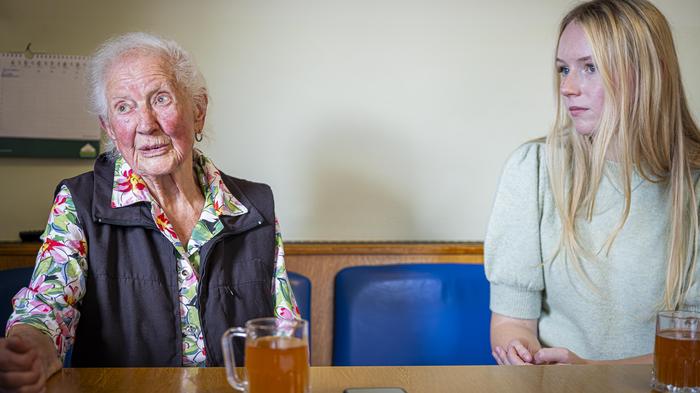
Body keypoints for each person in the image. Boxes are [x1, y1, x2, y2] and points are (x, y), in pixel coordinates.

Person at [0, 32, 300, 389]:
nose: (145, 124)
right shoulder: (78, 202)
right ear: (110, 128)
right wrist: (34, 343)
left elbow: (284, 327)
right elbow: (47, 303)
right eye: (124, 107)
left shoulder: (253, 206)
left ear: (198, 111)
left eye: (160, 99)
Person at [486, 0, 700, 365]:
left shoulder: (692, 186)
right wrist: (522, 354)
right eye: (563, 69)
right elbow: (511, 321)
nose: (567, 87)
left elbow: (690, 354)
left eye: (590, 68)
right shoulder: (533, 168)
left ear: (650, 74)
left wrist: (591, 375)